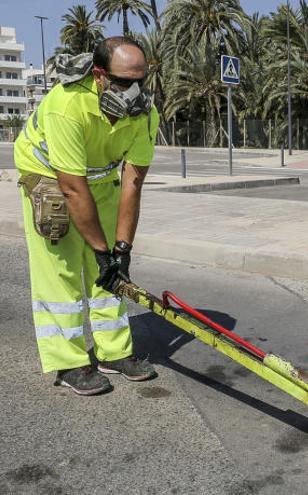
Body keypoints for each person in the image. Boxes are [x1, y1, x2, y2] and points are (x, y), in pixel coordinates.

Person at [14, 36, 159, 396]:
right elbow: (71, 188)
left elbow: (133, 182)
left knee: (110, 272)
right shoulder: (67, 105)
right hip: (49, 177)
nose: (133, 92)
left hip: (99, 178)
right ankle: (68, 361)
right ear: (99, 75)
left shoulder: (144, 115)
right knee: (61, 270)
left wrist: (120, 250)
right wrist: (99, 249)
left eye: (140, 81)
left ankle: (114, 351)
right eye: (124, 82)